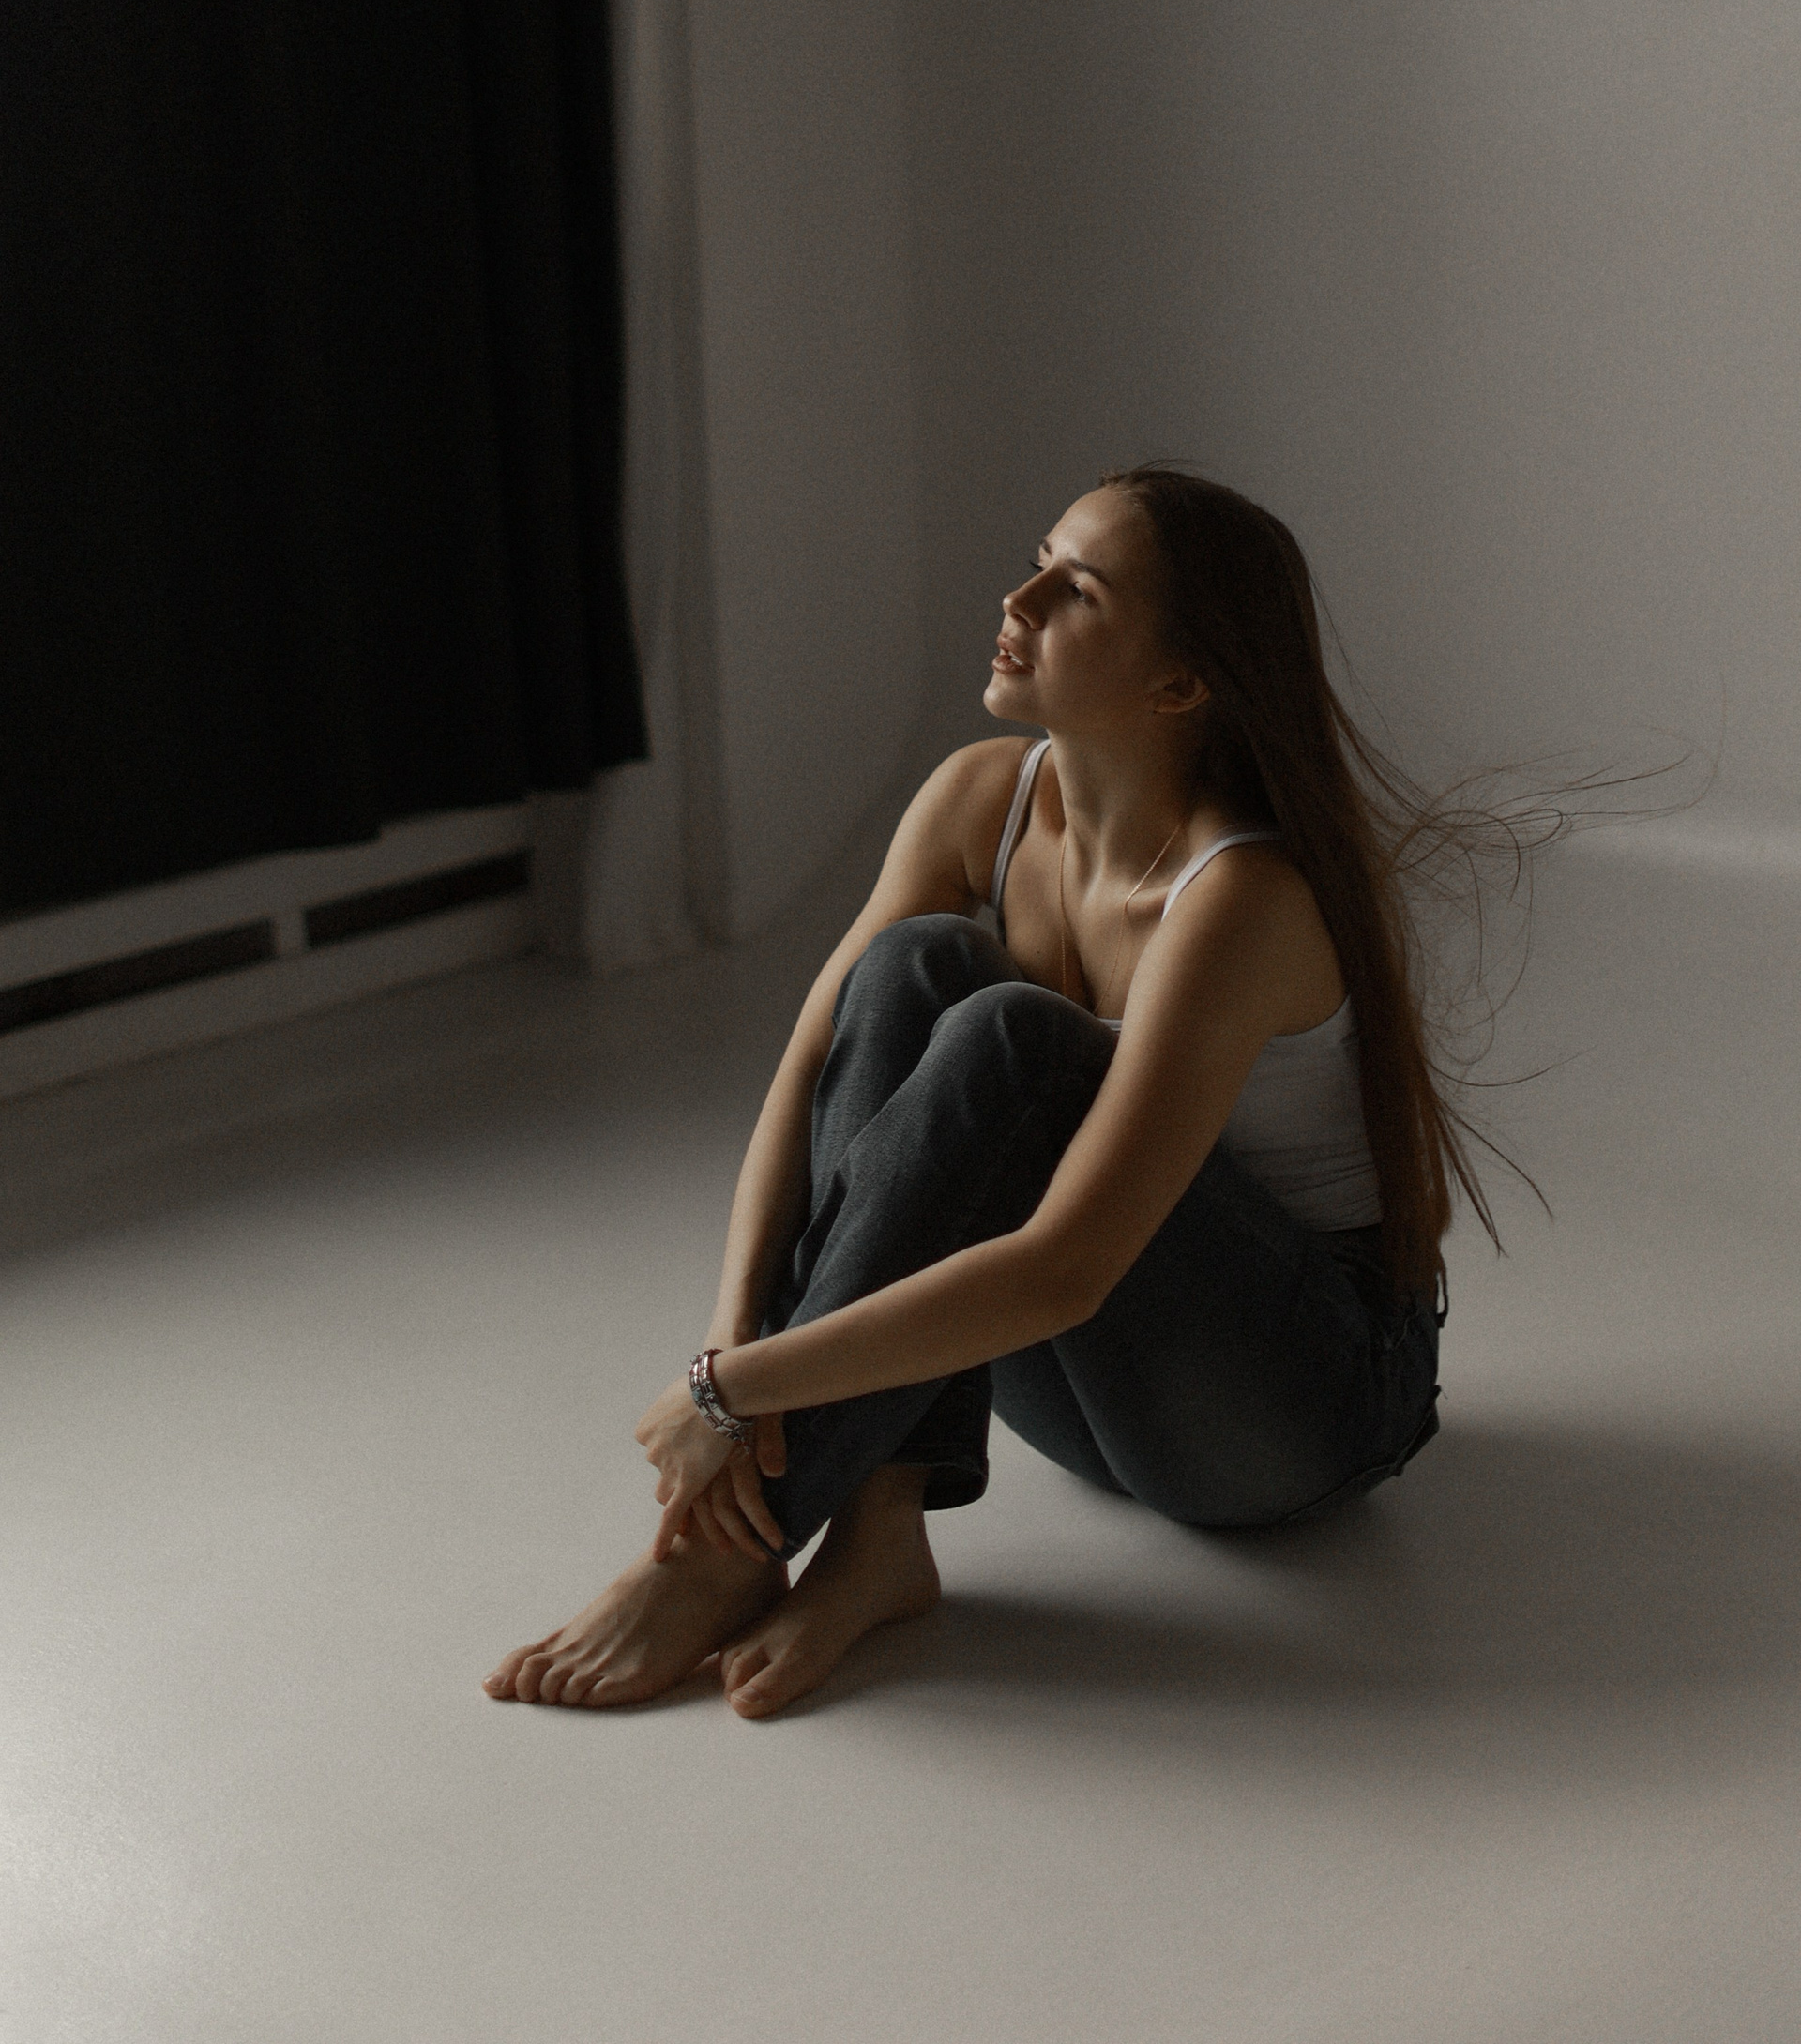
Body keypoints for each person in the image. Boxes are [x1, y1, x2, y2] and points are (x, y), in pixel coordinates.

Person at [485, 465, 1500, 1720]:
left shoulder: (1239, 900)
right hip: (1100, 1390)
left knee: (1019, 1043)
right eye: (1036, 563)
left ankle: (717, 1559)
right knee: (917, 967)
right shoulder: (983, 798)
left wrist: (737, 1402)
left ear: (1180, 684)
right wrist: (730, 1342)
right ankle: (877, 1540)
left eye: (1077, 592)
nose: (1018, 602)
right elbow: (812, 1069)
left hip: (1296, 1412)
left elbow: (1066, 1268)